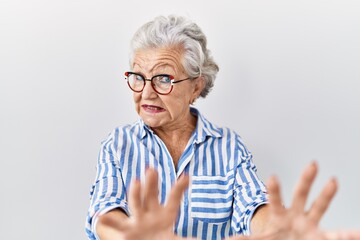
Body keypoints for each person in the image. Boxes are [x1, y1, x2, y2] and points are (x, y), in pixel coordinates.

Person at [85, 15, 360, 240]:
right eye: (138, 77)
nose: (146, 93)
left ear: (196, 86)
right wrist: (128, 234)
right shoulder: (118, 144)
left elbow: (254, 204)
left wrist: (277, 230)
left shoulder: (228, 146)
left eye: (163, 79)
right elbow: (104, 211)